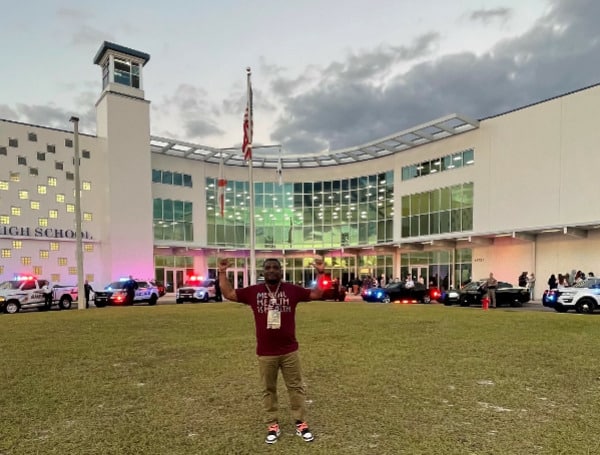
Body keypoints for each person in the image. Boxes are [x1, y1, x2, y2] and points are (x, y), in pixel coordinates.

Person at [217, 257, 325, 445]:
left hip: (289, 350)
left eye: (276, 267)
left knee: (296, 387)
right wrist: (222, 272)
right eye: (268, 268)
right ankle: (272, 425)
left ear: (281, 271)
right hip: (266, 352)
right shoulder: (254, 292)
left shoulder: (291, 290)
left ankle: (300, 423)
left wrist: (321, 273)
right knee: (268, 389)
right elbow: (229, 293)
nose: (272, 270)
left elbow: (318, 294)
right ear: (263, 272)